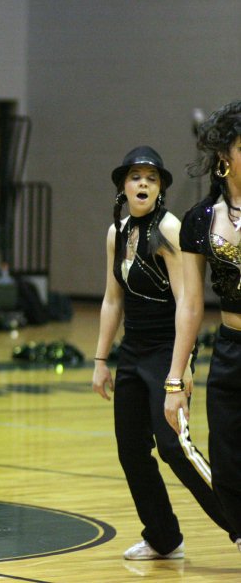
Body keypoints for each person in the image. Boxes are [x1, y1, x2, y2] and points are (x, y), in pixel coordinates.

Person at [92, 145, 235, 560]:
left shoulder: (169, 229)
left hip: (167, 352)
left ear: (160, 189)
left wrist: (183, 366)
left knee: (175, 449)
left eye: (151, 179)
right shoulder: (116, 232)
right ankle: (163, 537)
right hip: (133, 353)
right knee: (130, 449)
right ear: (123, 184)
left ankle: (237, 524)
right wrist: (102, 362)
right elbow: (111, 300)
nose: (142, 184)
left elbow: (187, 302)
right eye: (135, 177)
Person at [165, 101, 241, 550]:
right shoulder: (199, 220)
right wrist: (176, 379)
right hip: (230, 349)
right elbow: (190, 304)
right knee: (228, 464)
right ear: (222, 156)